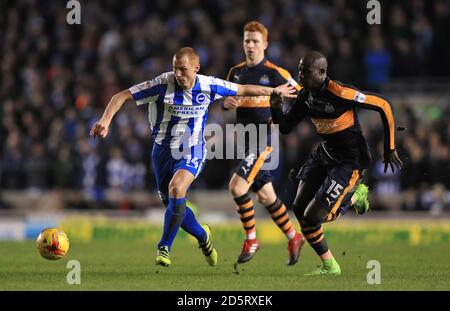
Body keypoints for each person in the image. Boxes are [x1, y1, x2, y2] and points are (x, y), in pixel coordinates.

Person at [90, 47, 296, 268]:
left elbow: (243, 88)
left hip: (193, 148)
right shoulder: (162, 84)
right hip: (162, 151)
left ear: (196, 68)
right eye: (175, 69)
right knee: (172, 203)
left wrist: (274, 91)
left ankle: (164, 247)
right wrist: (105, 120)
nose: (178, 74)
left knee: (177, 189)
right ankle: (203, 236)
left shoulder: (208, 85)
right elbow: (120, 96)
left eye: (183, 69)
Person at [270, 50, 403, 275]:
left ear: (322, 72)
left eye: (306, 71)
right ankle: (330, 265)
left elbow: (383, 104)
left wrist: (389, 147)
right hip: (324, 155)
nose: (300, 76)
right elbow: (285, 127)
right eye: (300, 70)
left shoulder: (340, 92)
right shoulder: (306, 96)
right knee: (299, 209)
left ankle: (355, 195)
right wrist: (275, 106)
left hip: (349, 162)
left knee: (313, 218)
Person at [222, 21, 306, 265]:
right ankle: (293, 236)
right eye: (246, 40)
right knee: (266, 196)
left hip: (264, 140)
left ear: (265, 44)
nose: (250, 45)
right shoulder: (235, 72)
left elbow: (302, 96)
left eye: (255, 41)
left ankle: (251, 239)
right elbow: (226, 100)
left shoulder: (275, 73)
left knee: (237, 188)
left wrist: (283, 118)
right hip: (244, 141)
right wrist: (226, 104)